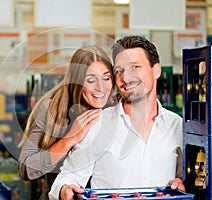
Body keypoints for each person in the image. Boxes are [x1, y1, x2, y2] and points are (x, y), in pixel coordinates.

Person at [49, 35, 185, 200]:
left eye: (135, 67)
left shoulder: (177, 126)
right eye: (119, 71)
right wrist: (65, 189)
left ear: (156, 70)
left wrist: (182, 183)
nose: (126, 78)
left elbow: (185, 179)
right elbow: (67, 178)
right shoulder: (98, 124)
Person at [18, 45, 117, 200]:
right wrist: (69, 140)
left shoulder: (115, 107)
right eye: (91, 80)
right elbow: (25, 168)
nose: (101, 88)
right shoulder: (51, 109)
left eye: (106, 78)